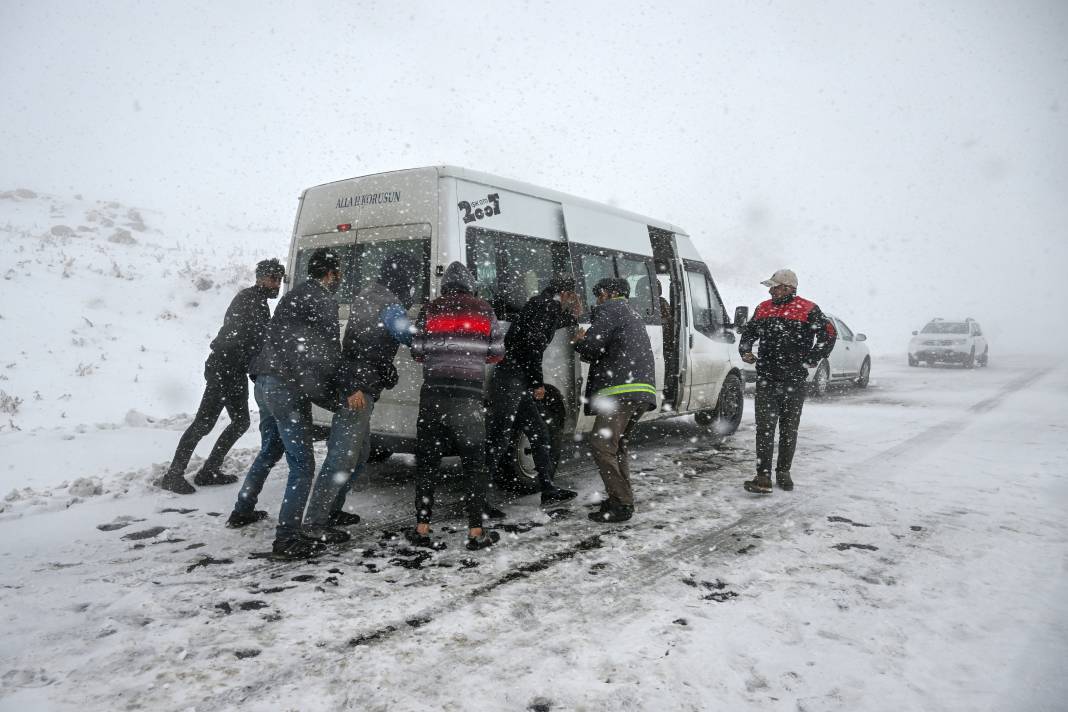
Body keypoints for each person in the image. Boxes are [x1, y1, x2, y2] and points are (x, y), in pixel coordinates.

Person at [227, 247, 346, 560]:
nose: (339, 278)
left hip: (264, 381)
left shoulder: (291, 296)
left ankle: (242, 509)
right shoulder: (323, 300)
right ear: (331, 274)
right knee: (303, 465)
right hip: (285, 387)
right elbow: (327, 354)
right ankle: (287, 539)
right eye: (339, 272)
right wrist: (338, 395)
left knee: (270, 449)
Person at [302, 253, 420, 537]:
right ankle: (315, 523)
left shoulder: (367, 293)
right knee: (342, 457)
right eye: (412, 281)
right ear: (404, 279)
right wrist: (430, 333)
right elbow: (404, 333)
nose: (413, 288)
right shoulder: (389, 303)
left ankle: (332, 510)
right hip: (358, 389)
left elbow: (365, 338)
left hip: (358, 380)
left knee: (361, 452)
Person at [158, 258, 285, 495]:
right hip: (225, 369)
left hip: (231, 369)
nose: (277, 284)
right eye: (273, 279)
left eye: (279, 279)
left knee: (239, 422)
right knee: (204, 423)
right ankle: (173, 475)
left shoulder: (257, 301)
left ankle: (209, 471)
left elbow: (255, 340)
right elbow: (249, 339)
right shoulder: (250, 300)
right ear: (261, 278)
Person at [408, 261, 505, 551]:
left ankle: (422, 528)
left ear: (445, 285)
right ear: (470, 285)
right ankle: (476, 531)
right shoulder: (485, 310)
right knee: (474, 464)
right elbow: (496, 353)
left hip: (433, 396)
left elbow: (417, 352)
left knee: (427, 463)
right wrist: (472, 359)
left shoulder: (430, 309)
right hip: (468, 397)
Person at [738, 268, 836, 494]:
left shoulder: (809, 309)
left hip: (794, 380)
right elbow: (749, 334)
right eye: (770, 287)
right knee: (764, 428)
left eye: (774, 286)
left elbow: (828, 334)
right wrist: (745, 351)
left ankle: (783, 473)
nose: (770, 290)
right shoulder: (763, 308)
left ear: (788, 288)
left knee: (788, 429)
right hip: (767, 378)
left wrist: (812, 357)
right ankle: (763, 477)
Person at [486, 275, 582, 507]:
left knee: (538, 432)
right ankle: (477, 499)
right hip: (512, 377)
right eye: (574, 297)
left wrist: (571, 317)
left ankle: (547, 488)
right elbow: (532, 344)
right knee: (499, 438)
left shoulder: (541, 303)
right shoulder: (547, 306)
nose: (575, 301)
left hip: (513, 376)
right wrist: (537, 383)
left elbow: (539, 327)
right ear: (567, 294)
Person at [572, 277, 656, 523]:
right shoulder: (632, 312)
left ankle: (622, 504)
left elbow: (592, 348)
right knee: (617, 446)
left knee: (601, 445)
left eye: (599, 294)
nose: (597, 300)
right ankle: (620, 497)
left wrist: (579, 341)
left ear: (609, 293)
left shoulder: (610, 309)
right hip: (640, 391)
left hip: (621, 392)